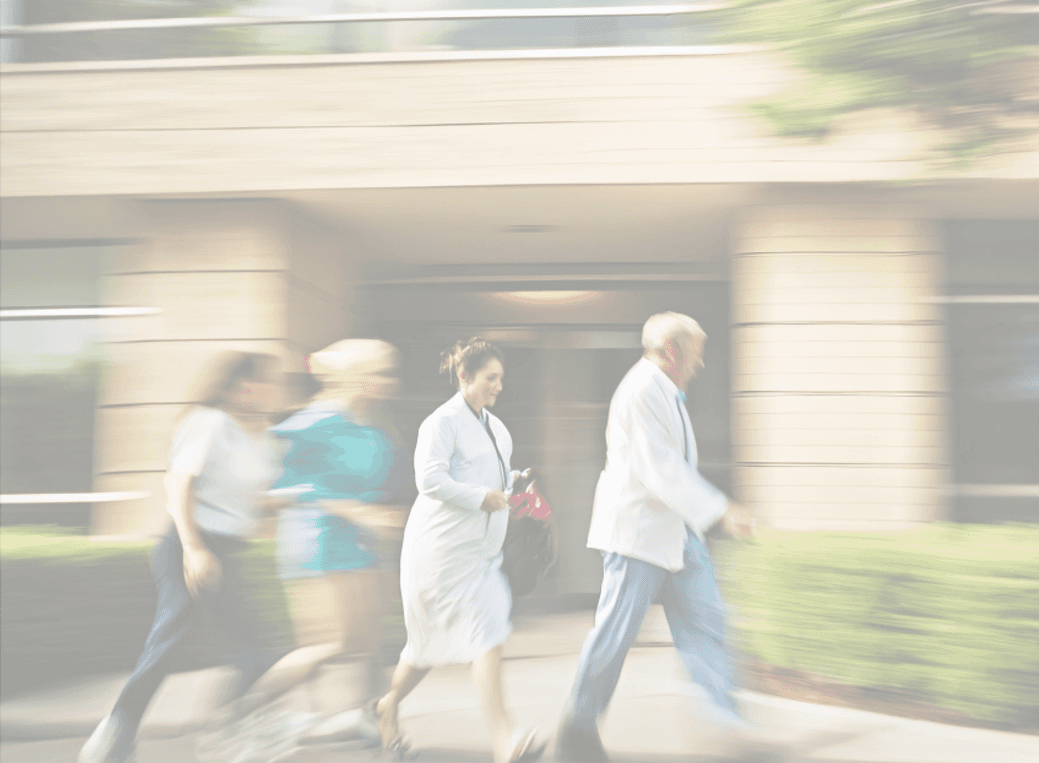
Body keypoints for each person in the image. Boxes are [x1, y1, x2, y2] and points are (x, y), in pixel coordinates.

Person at [557, 312, 759, 763]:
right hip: (639, 535)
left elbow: (673, 468)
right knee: (614, 635)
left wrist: (705, 514)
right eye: (696, 354)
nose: (700, 364)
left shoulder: (666, 392)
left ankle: (728, 724)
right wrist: (722, 511)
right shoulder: (642, 389)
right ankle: (578, 726)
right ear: (673, 352)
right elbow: (660, 468)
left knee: (708, 622)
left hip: (675, 532)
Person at [78, 351, 287, 763]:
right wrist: (194, 549)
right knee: (171, 640)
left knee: (257, 653)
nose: (269, 390)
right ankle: (115, 734)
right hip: (189, 544)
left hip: (226, 549)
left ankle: (224, 730)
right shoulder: (207, 422)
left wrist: (288, 502)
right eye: (262, 382)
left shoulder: (257, 436)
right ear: (237, 387)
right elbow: (177, 485)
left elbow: (252, 503)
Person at [371, 336, 543, 763]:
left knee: (484, 634)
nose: (498, 386)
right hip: (440, 554)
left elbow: (495, 484)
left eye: (501, 378)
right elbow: (429, 480)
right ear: (464, 376)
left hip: (480, 556)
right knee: (426, 648)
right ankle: (391, 705)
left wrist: (515, 494)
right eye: (490, 377)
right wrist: (481, 497)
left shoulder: (497, 428)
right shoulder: (440, 423)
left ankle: (501, 740)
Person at [258, 338, 414, 748]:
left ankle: (375, 724)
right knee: (331, 644)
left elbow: (376, 491)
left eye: (387, 372)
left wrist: (383, 517)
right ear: (351, 375)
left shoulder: (373, 431)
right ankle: (248, 714)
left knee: (365, 645)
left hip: (363, 548)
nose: (385, 381)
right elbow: (282, 488)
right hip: (317, 542)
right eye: (376, 372)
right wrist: (358, 511)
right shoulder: (313, 422)